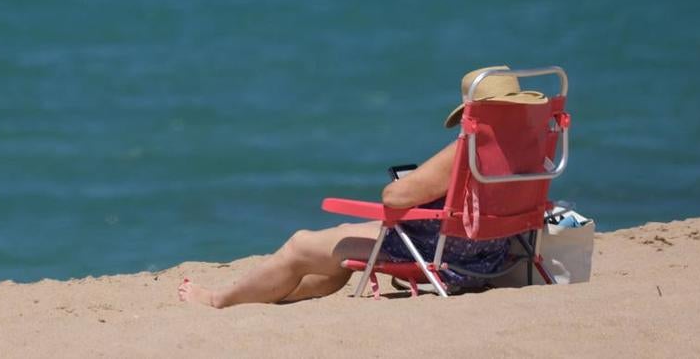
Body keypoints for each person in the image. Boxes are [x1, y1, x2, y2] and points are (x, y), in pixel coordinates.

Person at [177, 65, 545, 308]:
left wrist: (417, 185)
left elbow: (395, 198)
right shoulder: (530, 148)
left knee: (301, 242)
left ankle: (217, 301)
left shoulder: (468, 149)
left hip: (447, 256)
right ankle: (279, 295)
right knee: (338, 237)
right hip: (492, 254)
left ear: (472, 111)